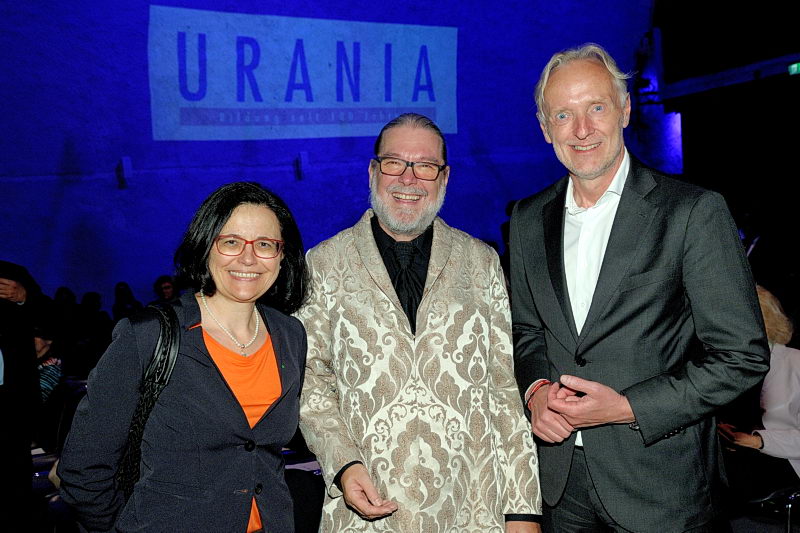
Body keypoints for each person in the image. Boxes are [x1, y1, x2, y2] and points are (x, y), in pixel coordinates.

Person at [509, 43, 770, 532]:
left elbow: (742, 357)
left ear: (625, 110)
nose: (581, 129)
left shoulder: (692, 212)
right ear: (545, 128)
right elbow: (526, 331)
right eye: (563, 115)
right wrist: (537, 391)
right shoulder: (527, 219)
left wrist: (629, 408)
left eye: (596, 108)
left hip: (662, 487)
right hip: (561, 486)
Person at [298, 113, 541, 532]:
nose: (408, 179)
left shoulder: (481, 262)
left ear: (444, 177)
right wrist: (343, 465)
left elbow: (503, 391)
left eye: (425, 166)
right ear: (373, 172)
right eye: (394, 163)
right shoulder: (323, 264)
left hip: (471, 511)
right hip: (363, 513)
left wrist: (523, 510)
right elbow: (309, 381)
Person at [57, 182, 309, 533]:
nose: (248, 258)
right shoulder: (147, 335)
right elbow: (83, 467)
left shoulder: (290, 335)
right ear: (205, 247)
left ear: (283, 256)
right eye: (231, 242)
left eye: (265, 244)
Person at [718, 285, 800, 498]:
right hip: (734, 464)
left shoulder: (796, 363)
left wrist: (756, 441)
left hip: (782, 467)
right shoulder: (727, 366)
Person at [0, 260, 42, 523]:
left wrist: (25, 297)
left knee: (13, 484)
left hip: (10, 401)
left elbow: (54, 317)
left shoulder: (11, 274)